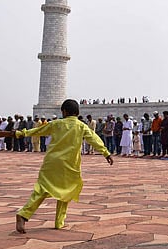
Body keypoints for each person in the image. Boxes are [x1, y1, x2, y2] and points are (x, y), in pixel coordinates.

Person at [12, 99, 113, 233]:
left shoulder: (56, 124)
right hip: (70, 164)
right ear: (77, 113)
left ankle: (24, 213)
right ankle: (59, 222)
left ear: (64, 112)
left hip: (52, 163)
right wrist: (106, 153)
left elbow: (38, 130)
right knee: (66, 191)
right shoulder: (81, 126)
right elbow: (94, 139)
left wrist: (20, 133)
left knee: (42, 190)